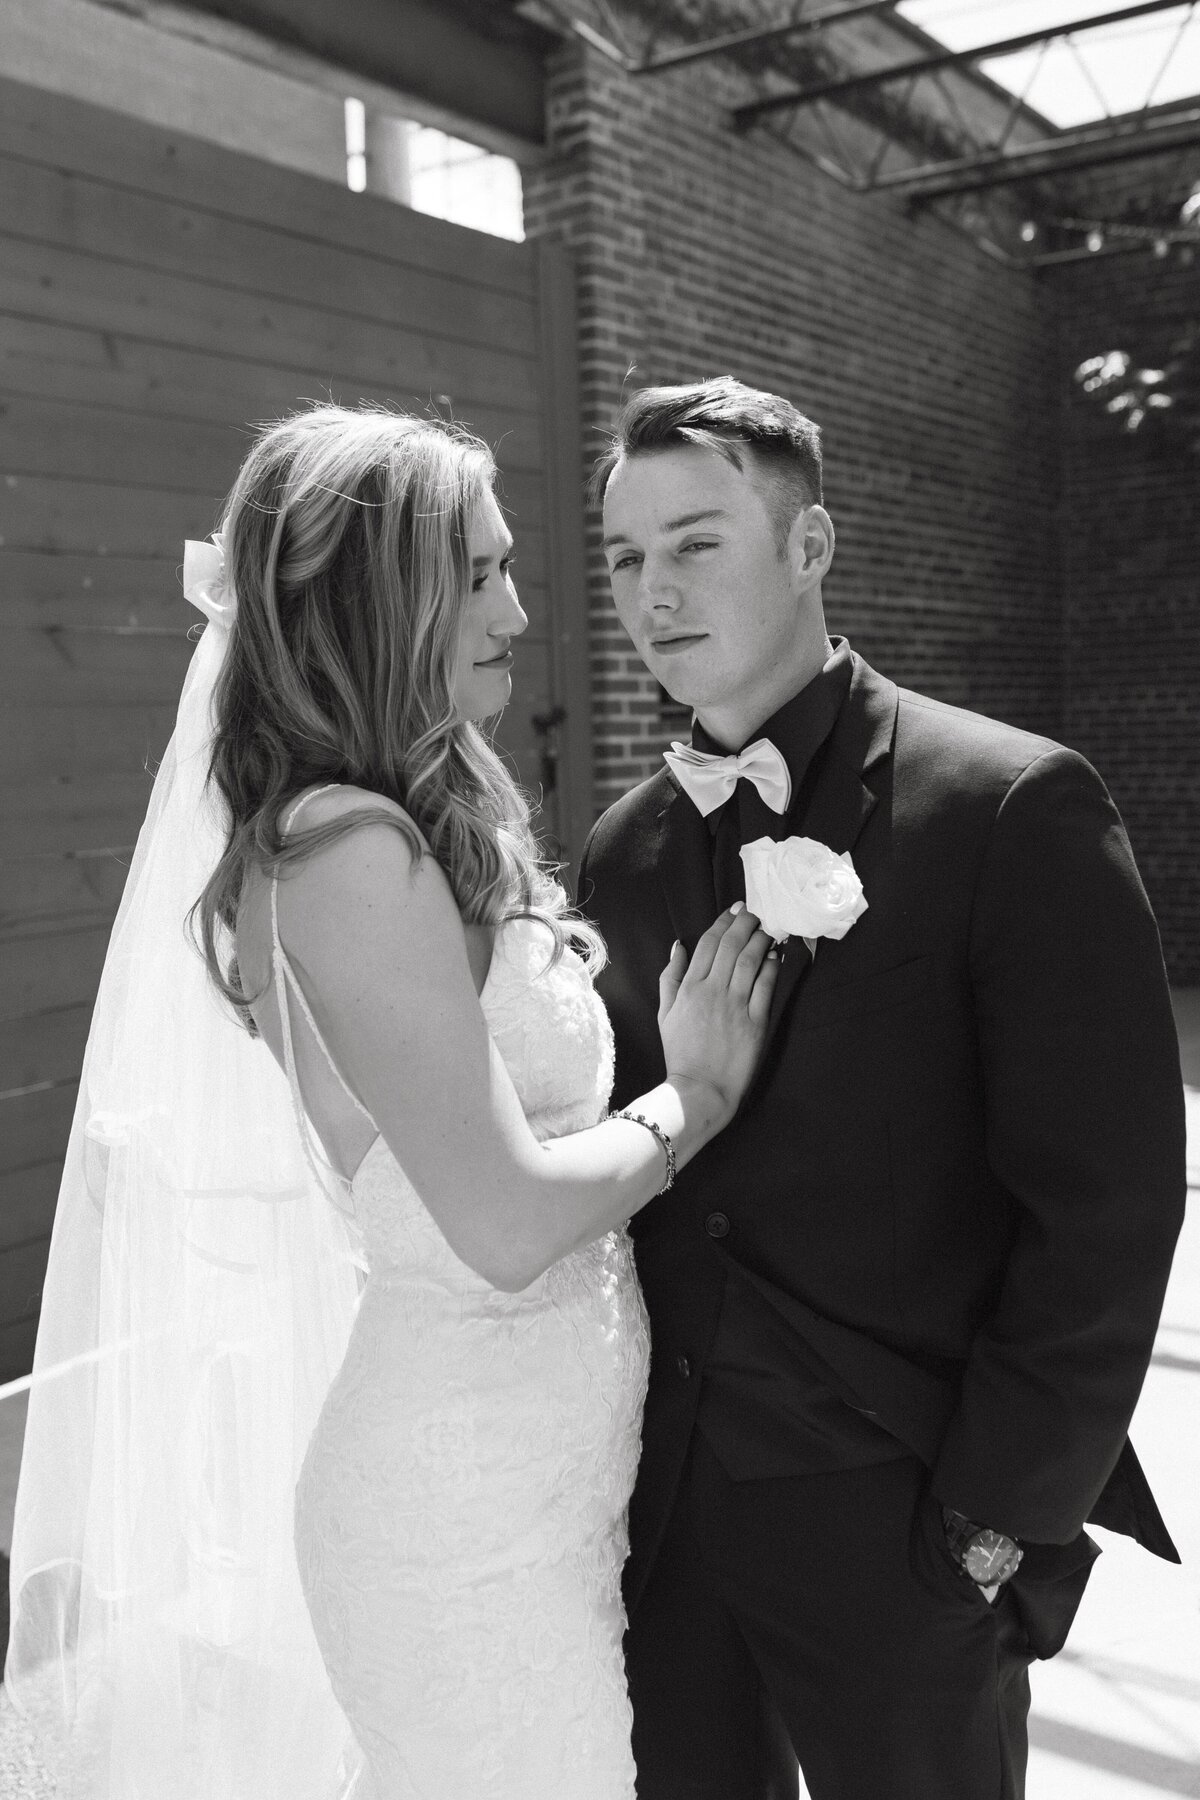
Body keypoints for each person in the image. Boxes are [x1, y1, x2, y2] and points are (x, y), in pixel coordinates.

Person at [6, 404, 778, 1800]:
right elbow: (500, 1221)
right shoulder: (345, 853)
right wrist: (700, 1095)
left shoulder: (399, 823)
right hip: (458, 1527)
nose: (520, 609)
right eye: (478, 574)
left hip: (540, 1497)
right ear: (379, 598)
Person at [578, 377, 1187, 1800]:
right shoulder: (619, 846)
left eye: (695, 542)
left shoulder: (1013, 806)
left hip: (908, 1524)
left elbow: (1103, 1218)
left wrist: (988, 1532)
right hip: (660, 1519)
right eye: (623, 557)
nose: (651, 591)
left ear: (811, 547)